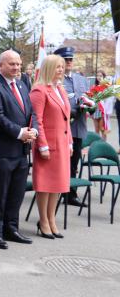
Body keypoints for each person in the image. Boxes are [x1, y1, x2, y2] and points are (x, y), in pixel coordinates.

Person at [0, 50, 38, 250]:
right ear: (0, 65)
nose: (16, 67)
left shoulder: (22, 84)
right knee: (0, 194)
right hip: (4, 150)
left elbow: (31, 112)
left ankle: (11, 228)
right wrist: (19, 132)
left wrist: (34, 130)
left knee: (17, 193)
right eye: (12, 64)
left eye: (18, 64)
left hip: (22, 150)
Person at [29, 54, 73, 239]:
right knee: (45, 184)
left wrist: (70, 141)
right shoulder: (39, 90)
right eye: (57, 67)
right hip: (48, 145)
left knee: (58, 184)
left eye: (62, 66)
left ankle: (51, 219)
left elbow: (66, 119)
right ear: (48, 68)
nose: (61, 70)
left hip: (62, 143)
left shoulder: (60, 89)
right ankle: (44, 221)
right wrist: (42, 146)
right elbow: (36, 120)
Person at [54, 46, 89, 207]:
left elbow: (89, 99)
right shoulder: (55, 80)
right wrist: (72, 110)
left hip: (78, 128)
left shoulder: (81, 80)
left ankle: (71, 194)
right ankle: (56, 191)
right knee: (61, 163)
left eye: (70, 59)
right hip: (62, 128)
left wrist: (91, 106)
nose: (69, 62)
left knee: (74, 163)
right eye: (65, 59)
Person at [91, 70, 108, 140]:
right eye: (97, 76)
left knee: (102, 129)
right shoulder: (94, 86)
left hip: (102, 110)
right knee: (96, 129)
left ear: (104, 77)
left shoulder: (106, 86)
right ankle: (97, 143)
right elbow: (91, 98)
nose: (99, 77)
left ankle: (103, 143)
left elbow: (108, 99)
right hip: (95, 109)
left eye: (100, 76)